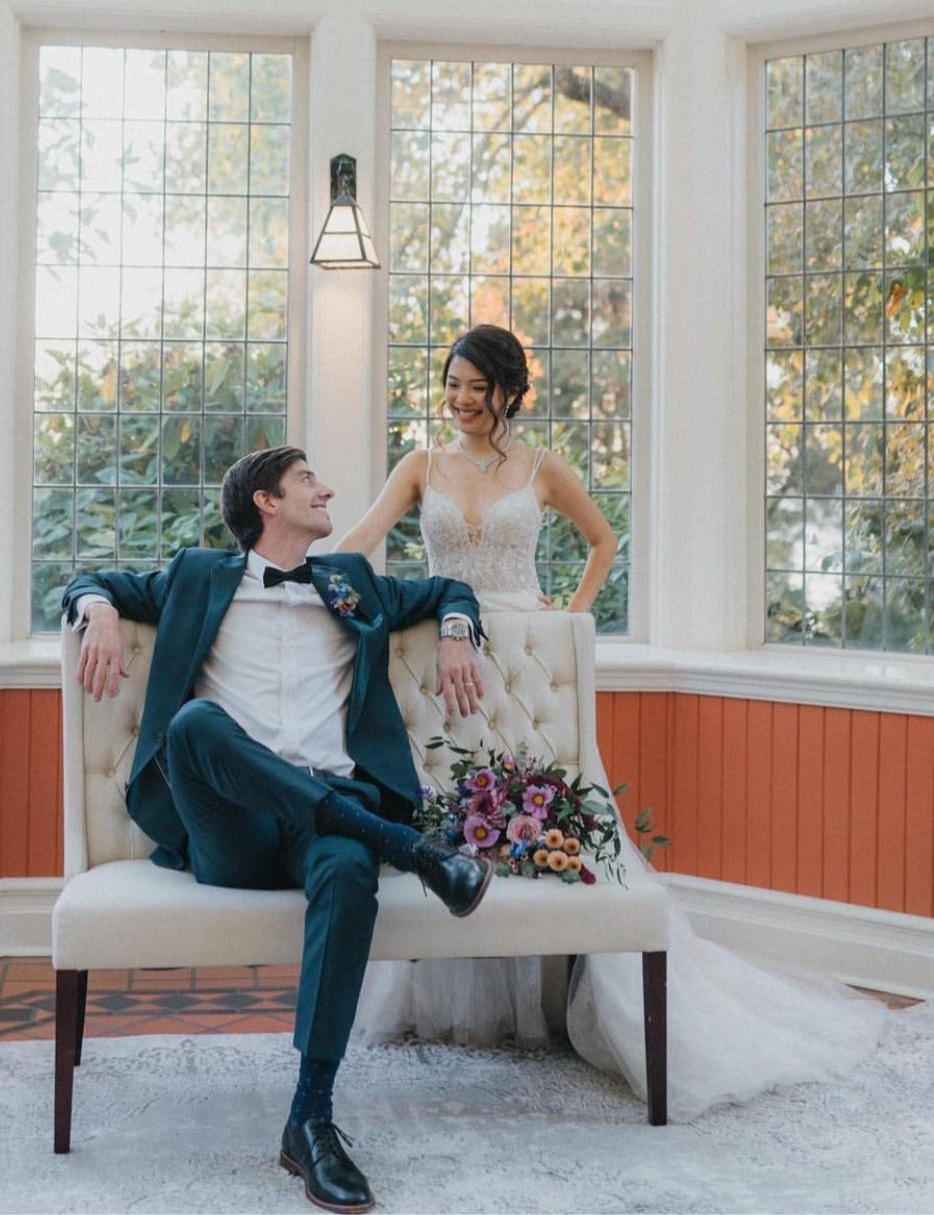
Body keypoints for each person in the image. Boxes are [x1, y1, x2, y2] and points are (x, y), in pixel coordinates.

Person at [335, 324, 888, 1120]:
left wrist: (572, 619)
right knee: (452, 817)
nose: (457, 400)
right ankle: (457, 1005)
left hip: (530, 659)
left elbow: (602, 540)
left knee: (532, 820)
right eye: (448, 384)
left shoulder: (541, 468)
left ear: (505, 391)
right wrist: (310, 576)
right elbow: (364, 536)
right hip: (443, 659)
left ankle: (563, 1001)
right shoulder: (419, 465)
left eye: (472, 386)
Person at [63, 445, 494, 1214]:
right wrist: (95, 610)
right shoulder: (197, 576)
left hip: (331, 810)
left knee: (346, 867)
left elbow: (447, 588)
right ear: (266, 501)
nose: (326, 488)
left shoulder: (350, 581)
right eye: (307, 481)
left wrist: (457, 628)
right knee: (195, 723)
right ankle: (413, 850)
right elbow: (92, 580)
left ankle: (311, 1119)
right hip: (230, 826)